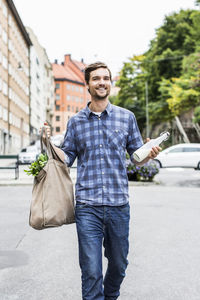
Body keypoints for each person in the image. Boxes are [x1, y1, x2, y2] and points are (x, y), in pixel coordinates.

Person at [42, 62, 160, 300]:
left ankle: (110, 296)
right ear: (88, 84)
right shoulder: (75, 122)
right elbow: (67, 159)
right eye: (96, 78)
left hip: (118, 205)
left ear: (110, 83)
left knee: (119, 265)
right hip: (88, 206)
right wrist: (49, 145)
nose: (102, 82)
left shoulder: (126, 118)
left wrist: (148, 154)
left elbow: (136, 158)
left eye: (105, 78)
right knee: (91, 270)